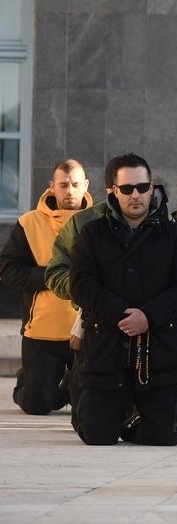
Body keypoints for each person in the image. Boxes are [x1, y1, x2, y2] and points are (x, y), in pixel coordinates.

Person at [69, 154, 177, 446]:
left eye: (142, 187)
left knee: (164, 437)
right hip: (105, 354)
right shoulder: (91, 233)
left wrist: (148, 317)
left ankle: (133, 420)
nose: (135, 195)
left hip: (158, 355)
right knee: (96, 436)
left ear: (152, 188)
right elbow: (81, 284)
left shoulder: (174, 234)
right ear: (112, 191)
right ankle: (91, 402)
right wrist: (121, 313)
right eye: (126, 188)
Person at [0, 160, 92, 415]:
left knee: (89, 407)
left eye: (75, 184)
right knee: (38, 405)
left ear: (86, 185)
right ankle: (27, 381)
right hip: (41, 332)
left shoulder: (101, 221)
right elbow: (7, 269)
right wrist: (54, 277)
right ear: (52, 187)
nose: (70, 191)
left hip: (88, 331)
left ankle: (65, 388)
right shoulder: (28, 223)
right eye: (63, 185)